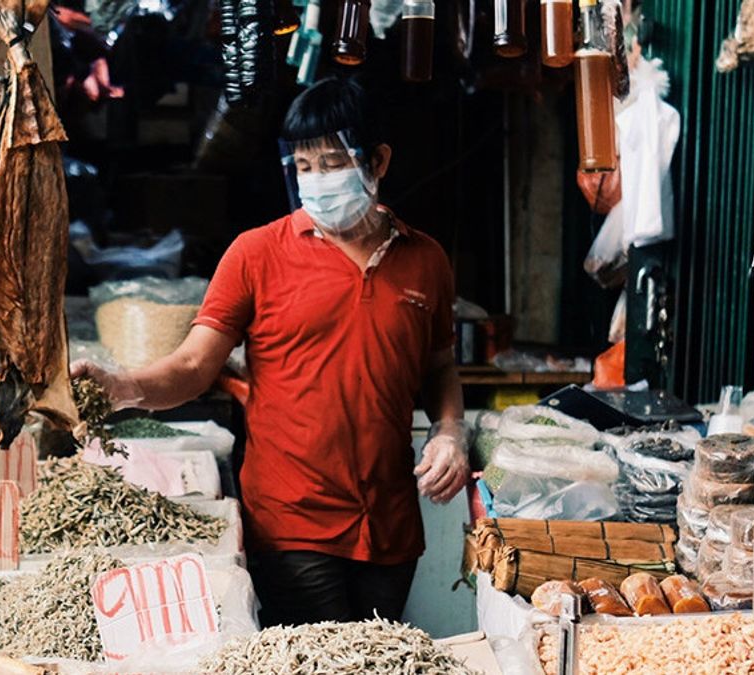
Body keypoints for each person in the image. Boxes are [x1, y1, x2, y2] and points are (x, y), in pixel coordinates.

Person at [72, 77, 468, 627]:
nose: (316, 181)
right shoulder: (256, 254)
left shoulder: (426, 259)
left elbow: (439, 364)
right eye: (304, 167)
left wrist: (451, 430)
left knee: (381, 661)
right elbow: (193, 366)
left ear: (378, 160)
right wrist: (124, 387)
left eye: (331, 162)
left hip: (391, 526)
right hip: (291, 522)